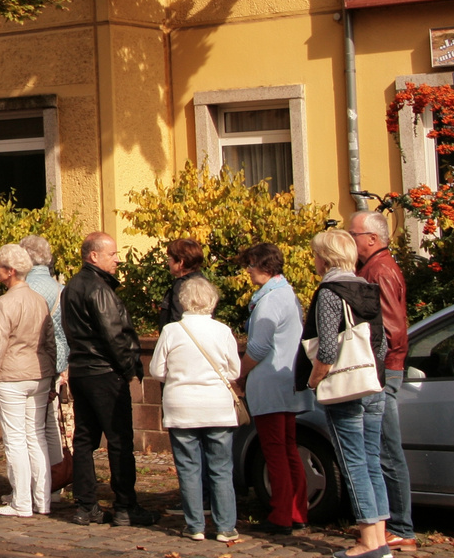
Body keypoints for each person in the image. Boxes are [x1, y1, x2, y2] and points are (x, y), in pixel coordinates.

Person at [300, 229, 390, 558]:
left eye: (316, 254)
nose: (315, 260)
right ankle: (379, 538)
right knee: (371, 462)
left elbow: (326, 349)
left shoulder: (329, 291)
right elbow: (380, 341)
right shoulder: (367, 287)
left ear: (325, 257)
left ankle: (367, 540)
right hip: (373, 382)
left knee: (353, 463)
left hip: (347, 387)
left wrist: (313, 382)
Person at [62, 232, 155, 525]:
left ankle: (86, 504)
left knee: (85, 439)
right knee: (118, 440)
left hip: (82, 370)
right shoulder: (98, 289)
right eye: (112, 254)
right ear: (94, 256)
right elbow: (114, 334)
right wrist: (130, 369)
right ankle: (125, 505)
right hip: (104, 372)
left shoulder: (72, 287)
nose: (117, 259)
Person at [150, 274, 241, 543]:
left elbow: (156, 370)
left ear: (184, 302)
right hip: (217, 406)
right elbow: (234, 370)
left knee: (189, 467)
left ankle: (195, 525)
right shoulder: (223, 331)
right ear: (212, 302)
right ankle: (225, 526)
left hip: (181, 406)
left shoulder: (171, 331)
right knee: (221, 468)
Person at [353, 210, 416, 554]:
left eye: (355, 234)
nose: (351, 239)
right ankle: (388, 523)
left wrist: (377, 366)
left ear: (373, 239)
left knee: (386, 449)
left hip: (383, 368)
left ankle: (401, 527)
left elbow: (392, 328)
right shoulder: (373, 268)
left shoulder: (380, 270)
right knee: (379, 449)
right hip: (383, 366)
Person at [0, 244, 56, 517]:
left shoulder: (4, 303)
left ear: (10, 272)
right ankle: (42, 500)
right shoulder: (39, 300)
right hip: (40, 373)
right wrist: (52, 374)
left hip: (12, 375)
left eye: (0, 266)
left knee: (15, 440)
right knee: (36, 438)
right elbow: (50, 342)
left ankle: (21, 502)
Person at [238, 242, 310, 534]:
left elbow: (258, 346)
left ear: (265, 266)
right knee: (289, 449)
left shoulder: (269, 300)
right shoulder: (287, 294)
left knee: (275, 451)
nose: (249, 270)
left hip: (269, 382)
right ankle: (297, 510)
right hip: (287, 380)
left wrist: (239, 375)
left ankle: (282, 514)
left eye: (252, 265)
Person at [19, 234, 68, 472]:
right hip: (58, 362)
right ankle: (55, 480)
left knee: (30, 427)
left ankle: (34, 483)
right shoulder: (61, 289)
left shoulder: (25, 290)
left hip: (32, 362)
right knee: (50, 423)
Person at [157, 238, 207, 327]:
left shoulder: (181, 285)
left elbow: (176, 318)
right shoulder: (204, 283)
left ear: (181, 262)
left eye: (170, 259)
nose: (168, 263)